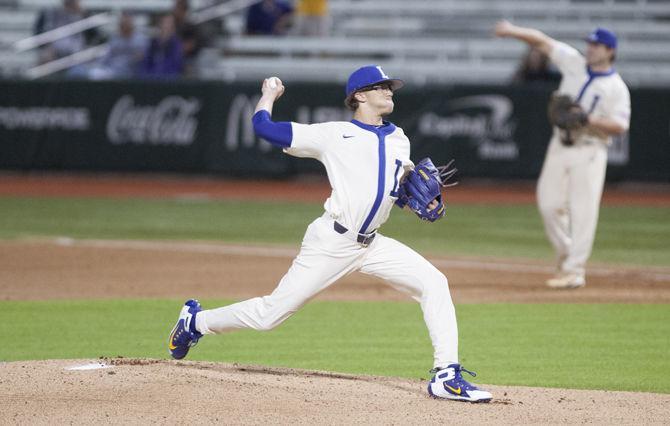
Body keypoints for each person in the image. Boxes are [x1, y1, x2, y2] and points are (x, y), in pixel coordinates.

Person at [167, 65, 492, 403]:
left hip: (373, 244)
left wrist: (413, 199)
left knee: (434, 282)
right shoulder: (333, 135)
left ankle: (446, 375)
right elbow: (264, 128)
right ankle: (196, 322)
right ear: (360, 96)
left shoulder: (400, 139)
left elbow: (387, 191)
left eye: (389, 86)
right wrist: (268, 96)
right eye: (380, 87)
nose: (388, 91)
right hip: (332, 242)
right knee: (270, 315)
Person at [495, 21, 631, 289]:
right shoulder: (574, 62)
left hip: (590, 148)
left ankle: (574, 271)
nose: (590, 48)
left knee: (583, 210)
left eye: (596, 45)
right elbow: (542, 41)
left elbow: (620, 125)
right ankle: (567, 253)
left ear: (610, 51)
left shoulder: (616, 87)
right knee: (548, 204)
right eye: (589, 43)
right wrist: (513, 31)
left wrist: (588, 118)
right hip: (560, 144)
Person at [81, 12, 147, 80]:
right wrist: (99, 66)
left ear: (132, 25)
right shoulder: (115, 39)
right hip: (112, 70)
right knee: (92, 73)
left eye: (127, 23)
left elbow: (141, 57)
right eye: (122, 24)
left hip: (130, 71)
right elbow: (107, 55)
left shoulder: (140, 40)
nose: (124, 26)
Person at [140, 14, 184, 78]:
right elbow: (146, 64)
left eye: (170, 23)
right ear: (160, 25)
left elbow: (176, 65)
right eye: (165, 23)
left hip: (169, 81)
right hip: (151, 81)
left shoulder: (176, 44)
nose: (167, 26)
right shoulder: (153, 43)